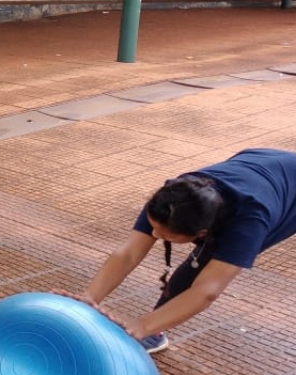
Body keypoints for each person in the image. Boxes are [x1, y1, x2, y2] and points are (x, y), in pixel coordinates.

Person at [85, 148, 296, 353]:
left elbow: (207, 291)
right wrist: (88, 299)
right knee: (198, 262)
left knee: (205, 265)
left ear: (202, 233)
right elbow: (128, 253)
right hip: (259, 162)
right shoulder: (171, 199)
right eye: (154, 227)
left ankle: (154, 333)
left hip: (277, 188)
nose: (156, 236)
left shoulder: (248, 222)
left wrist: (143, 326)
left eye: (168, 235)